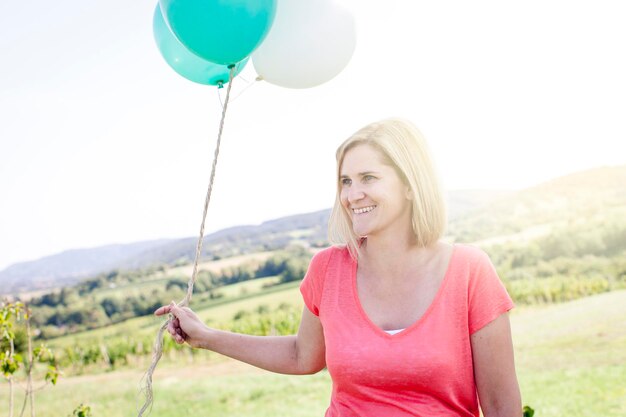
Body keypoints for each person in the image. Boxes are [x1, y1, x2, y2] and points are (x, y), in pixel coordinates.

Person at [155, 118, 522, 416]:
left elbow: (501, 406)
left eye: (368, 178)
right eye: (345, 181)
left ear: (411, 186)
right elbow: (303, 355)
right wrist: (206, 336)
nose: (351, 195)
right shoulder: (328, 269)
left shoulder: (469, 271)